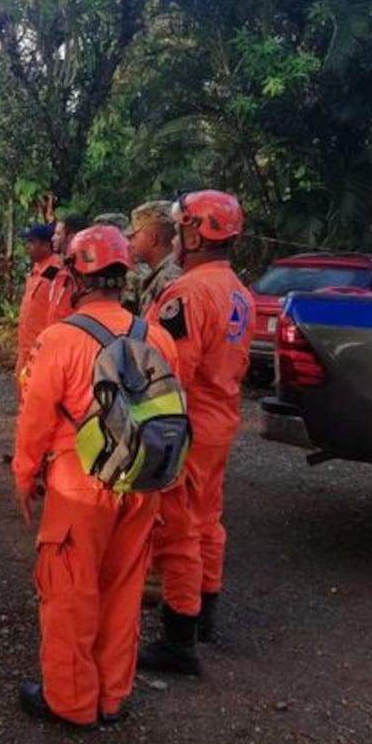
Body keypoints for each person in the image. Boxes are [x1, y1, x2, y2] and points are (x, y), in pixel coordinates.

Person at [12, 225, 180, 729]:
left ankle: (70, 700)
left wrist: (24, 476)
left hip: (79, 483)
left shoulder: (59, 339)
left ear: (75, 278)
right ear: (124, 277)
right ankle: (111, 697)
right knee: (124, 590)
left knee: (70, 591)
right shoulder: (158, 336)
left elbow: (36, 418)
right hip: (142, 480)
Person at [139, 190, 254, 675]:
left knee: (179, 530)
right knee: (209, 519)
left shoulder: (188, 293)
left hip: (185, 425)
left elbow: (167, 373)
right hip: (219, 421)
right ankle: (206, 611)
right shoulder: (238, 291)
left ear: (192, 232)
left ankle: (179, 638)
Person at [15, 223, 63, 385]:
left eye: (32, 242)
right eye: (27, 242)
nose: (28, 246)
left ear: (46, 245)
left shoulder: (57, 272)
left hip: (43, 351)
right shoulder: (35, 271)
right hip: (26, 350)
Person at [126, 201, 183, 317]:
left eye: (134, 236)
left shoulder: (169, 279)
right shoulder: (163, 274)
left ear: (152, 239)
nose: (130, 243)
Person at [45, 213, 89, 325]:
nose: (53, 238)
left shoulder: (83, 272)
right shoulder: (62, 268)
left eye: (58, 234)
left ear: (71, 237)